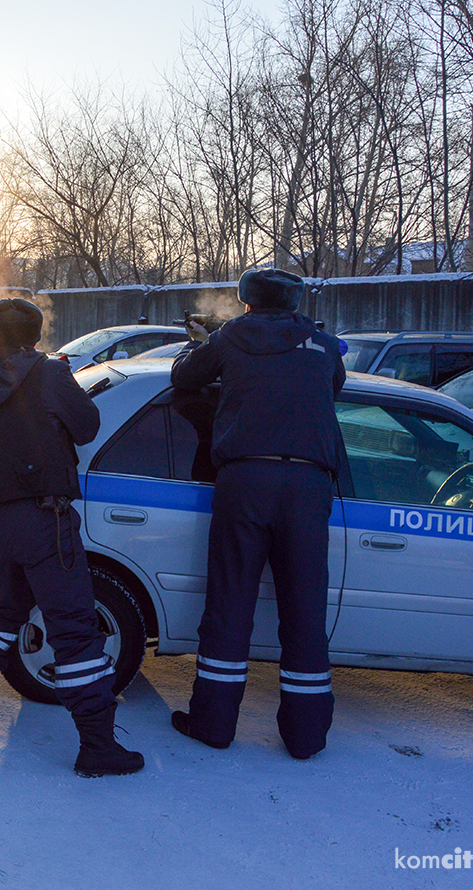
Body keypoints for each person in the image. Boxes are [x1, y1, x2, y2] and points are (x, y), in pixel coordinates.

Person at [0, 297, 145, 778]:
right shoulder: (50, 375)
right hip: (42, 517)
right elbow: (87, 427)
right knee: (74, 625)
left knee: (0, 608)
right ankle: (98, 748)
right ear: (35, 334)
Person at [169, 268, 346, 760]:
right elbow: (335, 386)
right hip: (310, 486)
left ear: (245, 302)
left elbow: (183, 377)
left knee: (230, 603)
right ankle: (306, 736)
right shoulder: (322, 343)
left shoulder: (229, 338)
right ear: (295, 303)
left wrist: (197, 343)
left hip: (244, 481)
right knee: (305, 609)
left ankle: (213, 723)